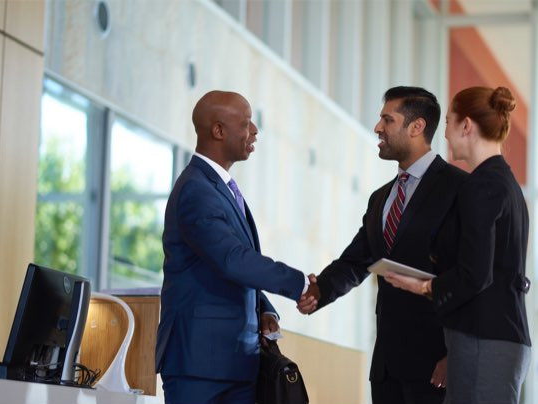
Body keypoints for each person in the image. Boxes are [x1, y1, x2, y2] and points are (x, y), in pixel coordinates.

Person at [298, 86, 468, 404]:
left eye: (387, 120)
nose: (378, 128)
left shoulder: (458, 189)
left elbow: (468, 275)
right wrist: (319, 291)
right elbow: (357, 260)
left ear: (416, 127)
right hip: (387, 369)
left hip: (436, 367)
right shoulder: (380, 198)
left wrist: (453, 354)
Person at [155, 90, 314, 404]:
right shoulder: (196, 190)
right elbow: (231, 259)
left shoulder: (219, 189)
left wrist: (263, 309)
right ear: (218, 131)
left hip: (237, 363)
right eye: (246, 123)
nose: (254, 131)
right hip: (199, 364)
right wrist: (300, 284)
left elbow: (221, 267)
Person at [384, 86, 532, 404]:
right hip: (496, 337)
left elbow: (475, 274)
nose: (446, 134)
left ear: (466, 126)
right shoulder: (506, 184)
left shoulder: (481, 186)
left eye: (449, 122)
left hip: (484, 339)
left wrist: (423, 286)